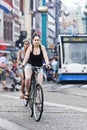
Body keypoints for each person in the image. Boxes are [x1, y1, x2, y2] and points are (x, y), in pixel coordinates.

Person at [22, 32, 50, 98]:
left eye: (38, 40)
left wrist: (47, 64)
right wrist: (23, 64)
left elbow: (45, 56)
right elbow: (26, 57)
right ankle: (27, 92)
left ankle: (38, 98)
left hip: (39, 66)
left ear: (40, 41)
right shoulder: (30, 48)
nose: (36, 41)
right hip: (30, 65)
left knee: (39, 84)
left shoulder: (42, 47)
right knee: (28, 78)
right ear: (33, 41)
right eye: (35, 40)